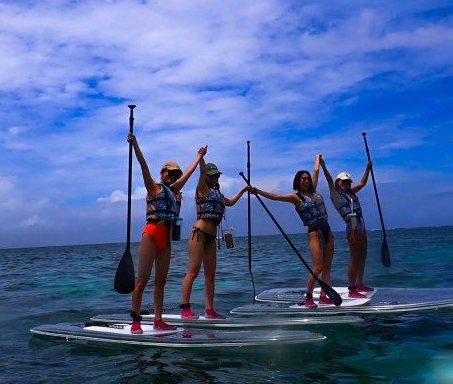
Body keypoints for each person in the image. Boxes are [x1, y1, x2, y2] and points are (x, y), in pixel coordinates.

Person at [127, 133, 206, 333]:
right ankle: (135, 321)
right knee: (143, 280)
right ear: (162, 173)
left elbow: (189, 172)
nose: (173, 177)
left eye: (175, 175)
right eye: (170, 174)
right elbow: (143, 165)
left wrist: (199, 156)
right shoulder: (153, 188)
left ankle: (158, 319)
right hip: (152, 233)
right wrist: (135, 144)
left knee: (161, 281)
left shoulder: (176, 190)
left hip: (167, 238)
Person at [249, 155, 335, 308]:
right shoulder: (296, 197)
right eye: (303, 179)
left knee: (327, 266)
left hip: (327, 230)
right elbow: (275, 196)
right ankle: (308, 297)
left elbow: (316, 171)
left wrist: (318, 159)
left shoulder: (313, 191)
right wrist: (257, 191)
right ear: (298, 181)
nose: (307, 181)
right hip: (314, 231)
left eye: (308, 179)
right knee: (318, 267)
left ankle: (323, 295)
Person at [179, 158, 249, 319]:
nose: (214, 179)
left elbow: (230, 202)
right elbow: (202, 171)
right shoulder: (202, 189)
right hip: (199, 233)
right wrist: (201, 157)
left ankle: (210, 310)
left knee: (210, 275)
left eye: (216, 176)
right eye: (211, 176)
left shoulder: (218, 194)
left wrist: (243, 191)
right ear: (206, 177)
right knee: (193, 272)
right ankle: (185, 308)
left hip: (212, 237)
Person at [319, 154, 373, 297]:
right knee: (354, 257)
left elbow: (362, 183)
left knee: (363, 256)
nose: (347, 184)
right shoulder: (336, 195)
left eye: (348, 182)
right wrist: (323, 166)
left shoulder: (350, 192)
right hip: (352, 226)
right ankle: (352, 289)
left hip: (361, 224)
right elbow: (329, 181)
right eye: (344, 182)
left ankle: (359, 283)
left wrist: (367, 168)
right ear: (338, 183)